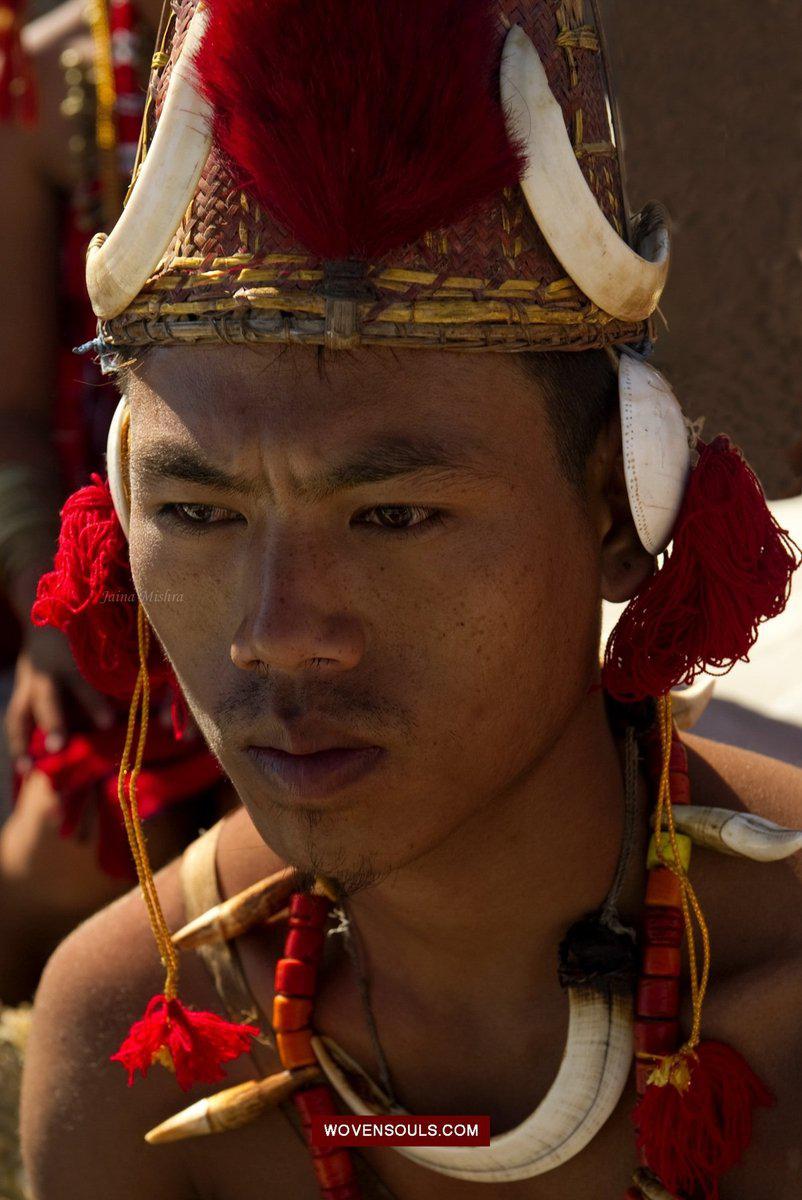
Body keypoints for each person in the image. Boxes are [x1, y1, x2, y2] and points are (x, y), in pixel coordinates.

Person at [20, 0, 802, 1197]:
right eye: (199, 514)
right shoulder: (137, 1031)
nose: (278, 631)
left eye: (392, 517)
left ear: (620, 512)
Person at [0, 0, 232, 1005]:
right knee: (68, 856)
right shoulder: (50, 80)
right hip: (117, 583)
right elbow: (9, 412)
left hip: (331, 559)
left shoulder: (408, 47)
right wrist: (48, 614)